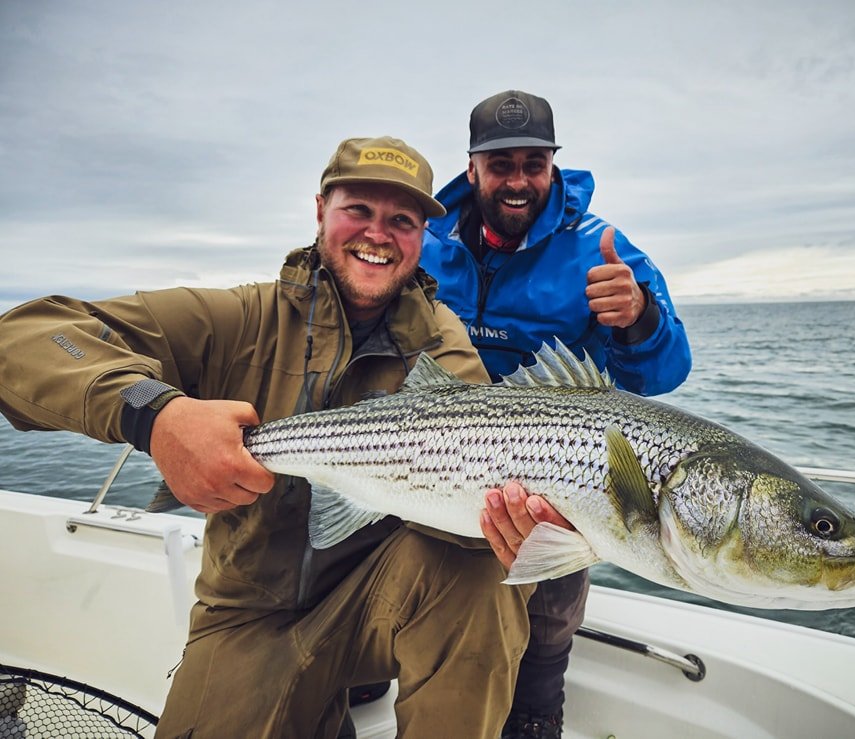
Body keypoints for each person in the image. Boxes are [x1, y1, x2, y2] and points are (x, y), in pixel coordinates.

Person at [0, 135, 572, 739]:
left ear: (421, 236)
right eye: (359, 210)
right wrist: (156, 414)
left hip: (376, 600)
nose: (378, 234)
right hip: (251, 614)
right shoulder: (241, 318)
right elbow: (28, 336)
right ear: (320, 209)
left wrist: (512, 530)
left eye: (401, 220)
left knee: (485, 577)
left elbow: (475, 483)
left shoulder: (439, 342)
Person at [420, 90, 693, 738]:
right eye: (502, 163)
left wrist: (639, 319)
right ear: (473, 166)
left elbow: (666, 370)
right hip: (436, 453)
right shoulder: (429, 244)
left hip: (553, 461)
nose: (518, 181)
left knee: (550, 612)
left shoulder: (599, 247)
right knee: (419, 579)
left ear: (553, 167)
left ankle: (537, 707)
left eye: (534, 164)